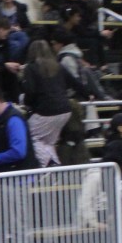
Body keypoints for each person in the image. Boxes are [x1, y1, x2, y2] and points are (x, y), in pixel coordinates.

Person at [21, 38, 71, 167]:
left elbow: (30, 91)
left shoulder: (30, 68)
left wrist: (27, 104)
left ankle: (50, 163)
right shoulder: (58, 66)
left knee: (29, 135)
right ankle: (55, 168)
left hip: (46, 110)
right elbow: (74, 82)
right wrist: (89, 93)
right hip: (65, 109)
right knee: (48, 142)